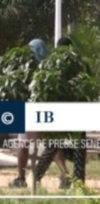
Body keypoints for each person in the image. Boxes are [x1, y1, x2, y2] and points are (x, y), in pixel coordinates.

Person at [9, 38, 69, 188]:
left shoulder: (26, 68)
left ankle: (21, 178)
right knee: (52, 145)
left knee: (23, 144)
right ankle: (65, 175)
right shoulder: (51, 66)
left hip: (28, 110)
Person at [33, 37, 87, 189]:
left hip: (60, 109)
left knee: (53, 144)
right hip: (79, 108)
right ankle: (79, 181)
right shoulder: (80, 63)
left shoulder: (52, 63)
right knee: (79, 146)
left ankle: (36, 175)